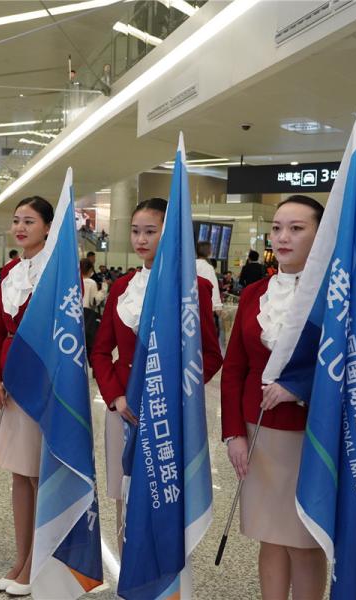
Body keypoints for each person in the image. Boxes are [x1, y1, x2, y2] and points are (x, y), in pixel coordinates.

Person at [221, 195, 356, 600]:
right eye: (276, 228)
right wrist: (233, 433)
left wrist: (299, 388)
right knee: (269, 538)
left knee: (304, 542)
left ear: (319, 234)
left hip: (313, 439)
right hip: (258, 437)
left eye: (296, 228)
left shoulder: (335, 296)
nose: (283, 237)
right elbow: (234, 369)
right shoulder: (255, 293)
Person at [90, 198, 223, 553]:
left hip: (170, 414)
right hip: (123, 409)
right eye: (135, 231)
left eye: (151, 231)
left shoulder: (194, 287)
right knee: (125, 499)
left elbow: (211, 355)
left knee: (165, 501)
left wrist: (176, 396)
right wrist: (115, 397)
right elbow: (101, 351)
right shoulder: (121, 287)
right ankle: (127, 582)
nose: (141, 240)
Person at [0, 196, 53, 597]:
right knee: (18, 473)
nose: (21, 227)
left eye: (30, 221)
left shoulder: (59, 272)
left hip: (40, 379)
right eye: (16, 221)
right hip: (7, 382)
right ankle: (22, 555)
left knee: (37, 472)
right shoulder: (10, 270)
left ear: (47, 226)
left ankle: (37, 562)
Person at [196, 240, 224, 333]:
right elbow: (214, 288)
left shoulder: (190, 265)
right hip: (206, 306)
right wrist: (217, 306)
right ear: (208, 251)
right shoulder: (208, 267)